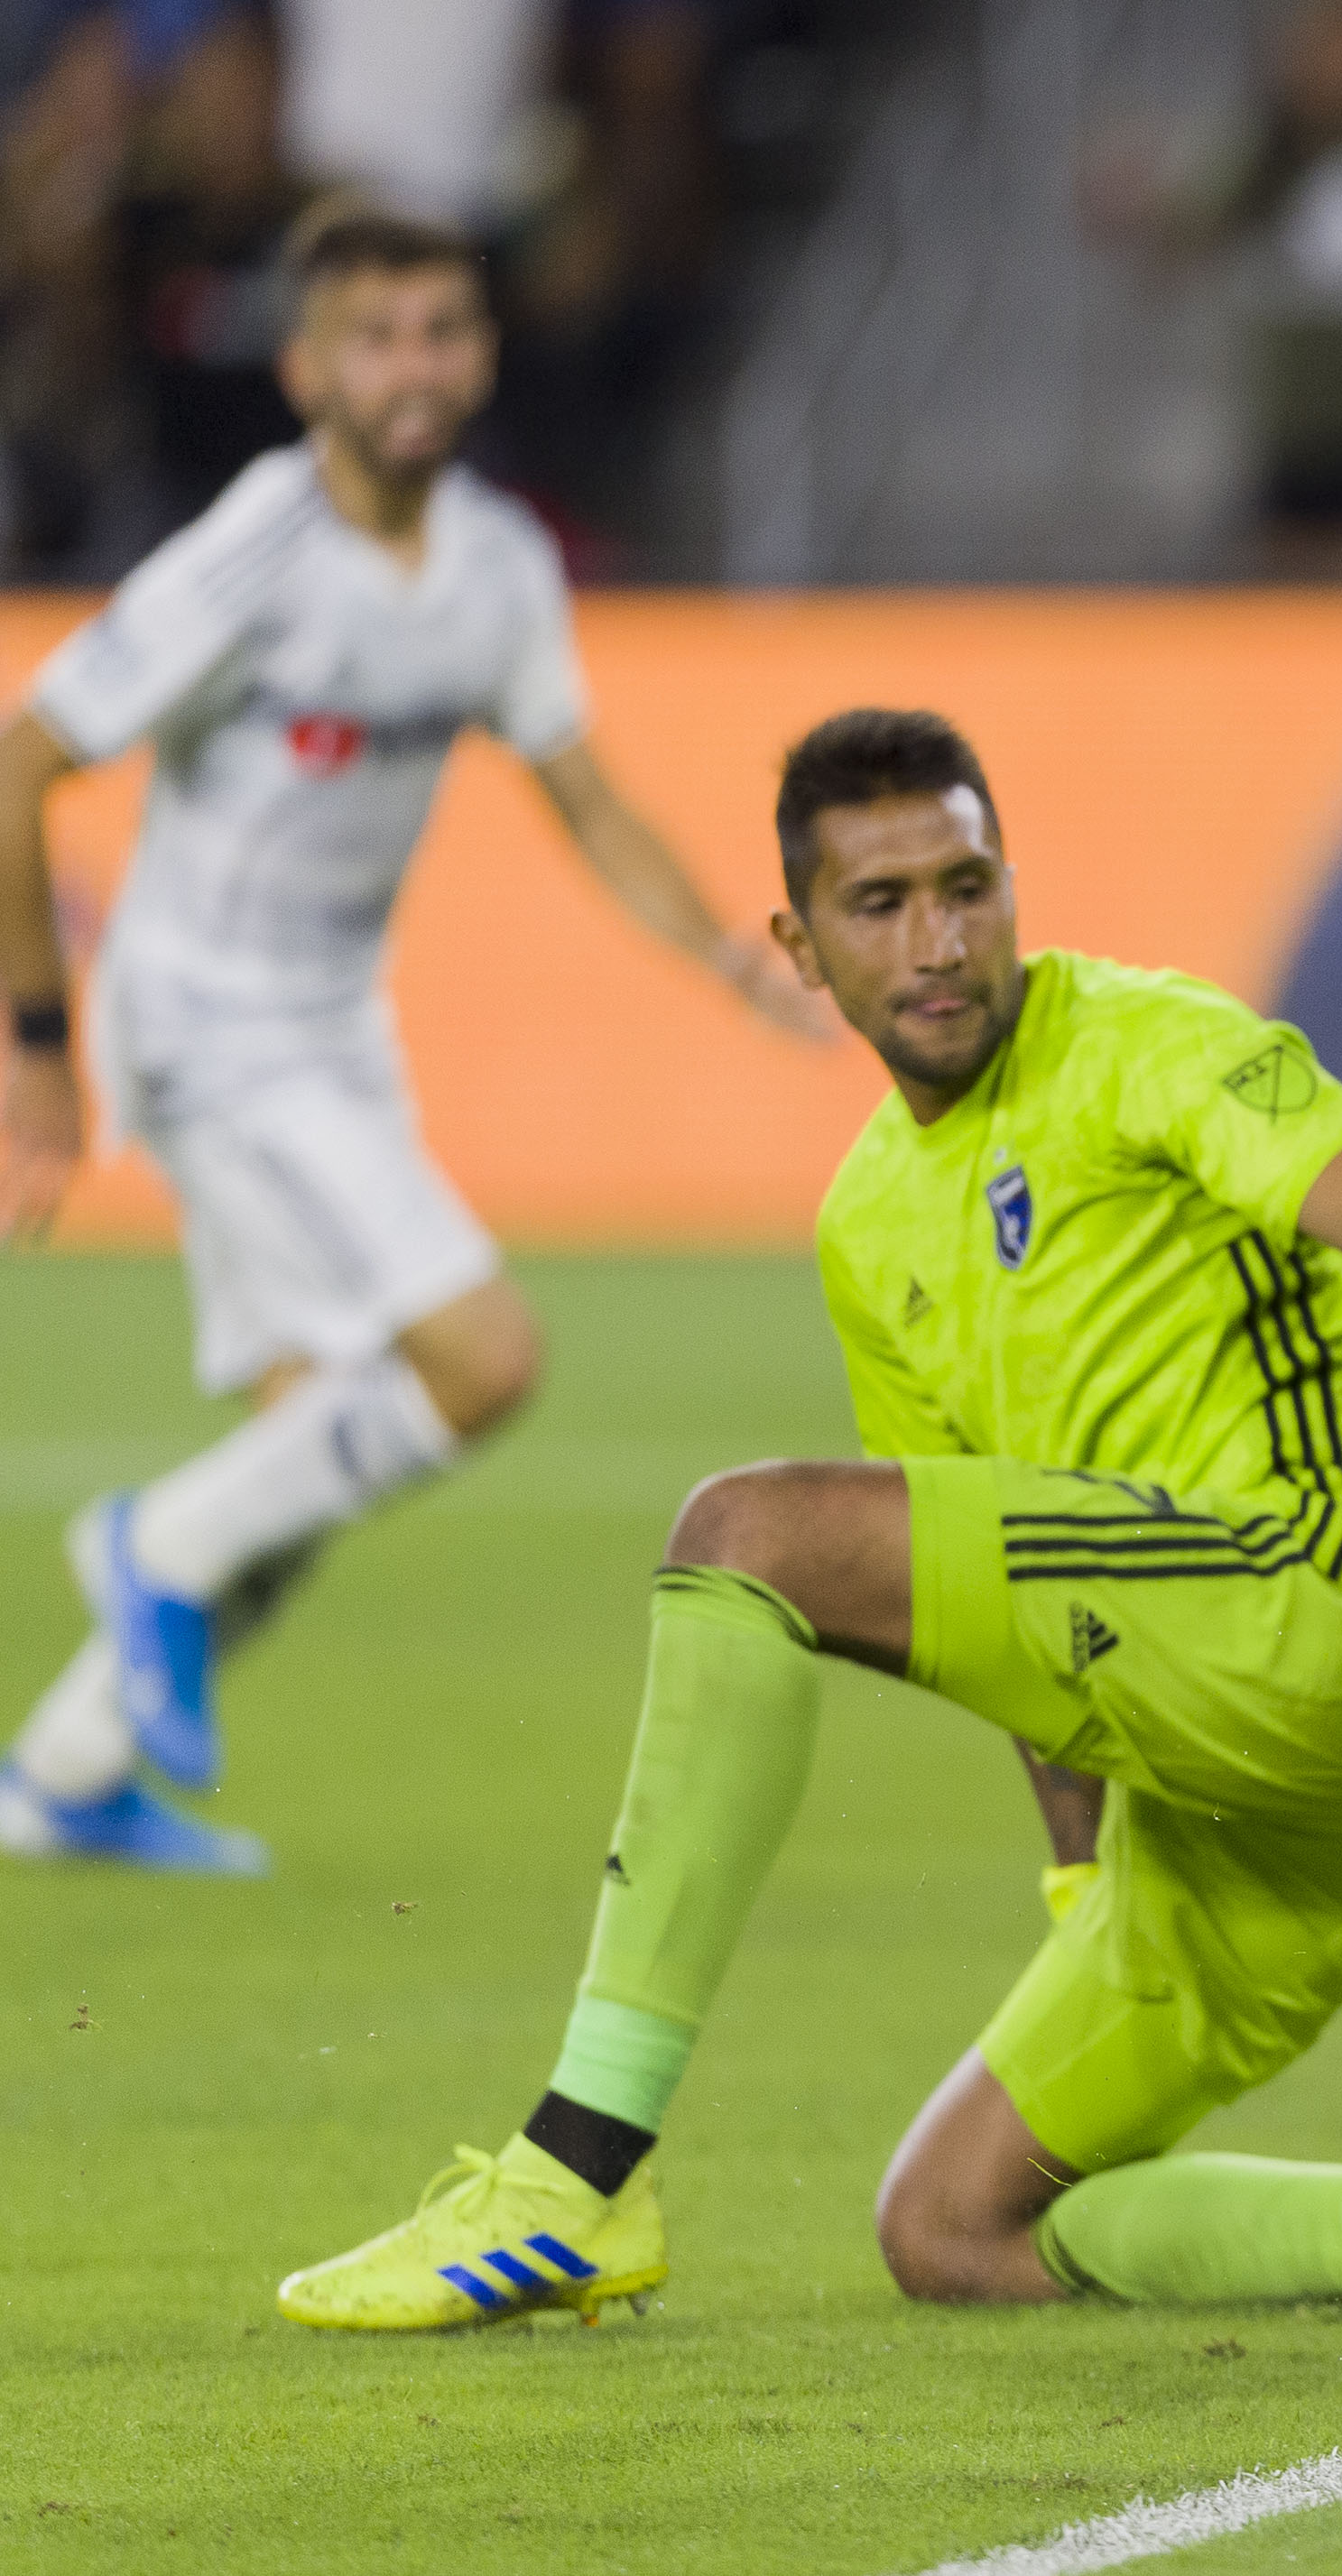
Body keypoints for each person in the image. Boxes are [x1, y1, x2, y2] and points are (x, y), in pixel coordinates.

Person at [274, 707, 1342, 2333]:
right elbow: (998, 1584)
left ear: (1013, 884)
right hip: (1266, 1799)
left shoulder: (1148, 1044)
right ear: (798, 947)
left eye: (965, 887)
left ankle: (574, 2175)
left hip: (1334, 1635)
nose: (938, 943)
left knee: (743, 1534)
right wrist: (1079, 1875)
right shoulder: (868, 1225)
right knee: (954, 2229)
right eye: (879, 907)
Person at [0, 207, 829, 1877]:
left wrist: (733, 959)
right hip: (205, 1016)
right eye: (374, 335)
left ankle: (63, 1777)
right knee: (481, 1360)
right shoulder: (258, 547)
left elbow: (585, 798)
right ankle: (144, 1546)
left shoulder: (499, 568)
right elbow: (24, 756)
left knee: (314, 1457)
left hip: (333, 1029)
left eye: (442, 329)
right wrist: (36, 1039)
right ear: (305, 368)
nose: (413, 365)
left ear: (484, 352)